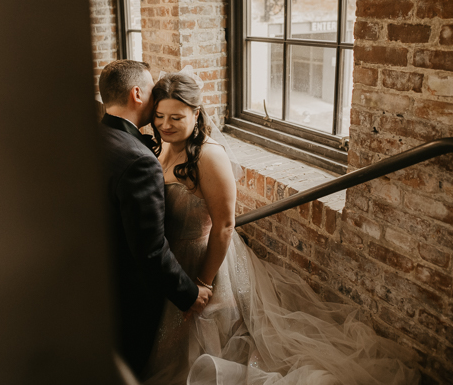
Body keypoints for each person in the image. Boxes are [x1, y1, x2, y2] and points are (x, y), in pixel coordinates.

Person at [142, 70, 420, 385]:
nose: (165, 124)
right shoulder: (161, 144)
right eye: (160, 116)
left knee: (204, 346)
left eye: (175, 117)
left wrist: (203, 283)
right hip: (171, 258)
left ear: (196, 113)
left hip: (203, 262)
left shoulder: (209, 157)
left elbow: (225, 225)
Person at [98, 60, 212, 378]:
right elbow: (149, 248)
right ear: (137, 93)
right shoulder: (138, 160)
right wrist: (189, 294)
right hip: (130, 293)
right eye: (151, 90)